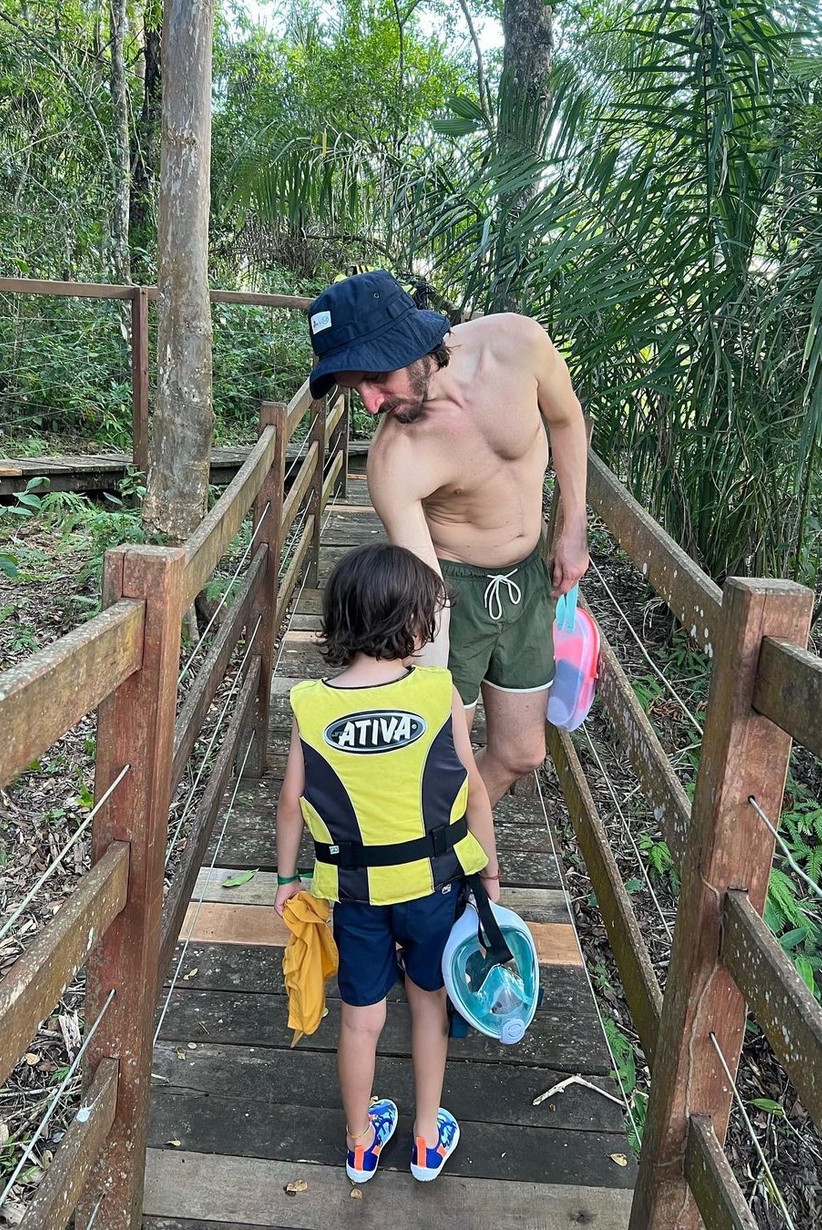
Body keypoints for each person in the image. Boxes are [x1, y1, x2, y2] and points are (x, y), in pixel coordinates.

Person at [306, 268, 590, 806]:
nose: (370, 403)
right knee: (441, 760)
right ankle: (441, 855)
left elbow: (567, 419)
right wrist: (427, 695)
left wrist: (573, 525)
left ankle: (450, 831)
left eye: (374, 379)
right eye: (357, 390)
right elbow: (427, 593)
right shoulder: (397, 460)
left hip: (530, 579)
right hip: (452, 589)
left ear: (409, 343)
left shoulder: (517, 344)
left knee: (521, 753)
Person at [274, 543, 499, 1185]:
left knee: (361, 1017)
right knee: (429, 1003)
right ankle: (427, 1141)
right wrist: (487, 872)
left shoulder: (312, 703)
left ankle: (359, 1143)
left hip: (353, 892)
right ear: (409, 624)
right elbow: (474, 788)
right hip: (434, 886)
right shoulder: (437, 691)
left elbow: (291, 803)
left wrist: (288, 879)